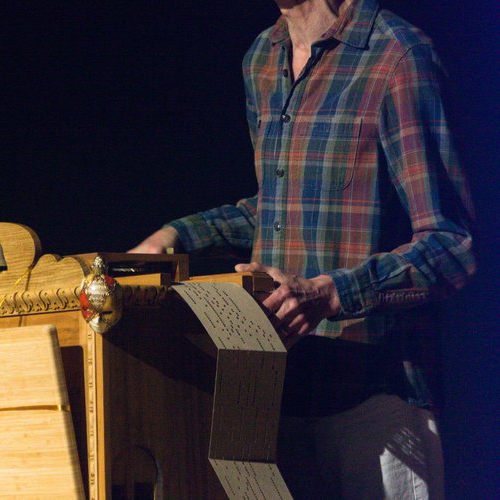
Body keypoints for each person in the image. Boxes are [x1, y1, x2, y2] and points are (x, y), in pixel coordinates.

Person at [130, 0, 475, 498]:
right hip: (278, 395)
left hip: (376, 401)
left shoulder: (397, 54)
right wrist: (177, 236)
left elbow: (450, 246)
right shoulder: (261, 58)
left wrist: (330, 294)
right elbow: (278, 208)